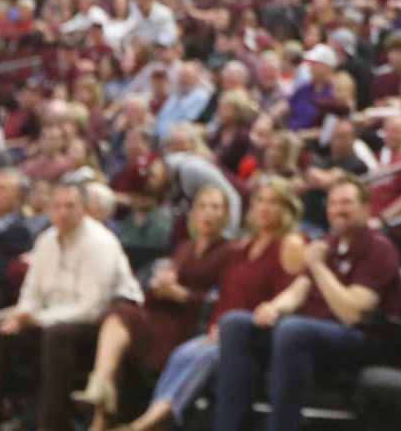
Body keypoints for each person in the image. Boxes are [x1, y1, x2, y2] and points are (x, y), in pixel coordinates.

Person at [0, 181, 140, 431]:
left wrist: (36, 319)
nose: (63, 212)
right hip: (51, 317)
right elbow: (32, 293)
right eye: (57, 206)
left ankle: (49, 425)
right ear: (49, 210)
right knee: (0, 331)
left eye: (70, 206)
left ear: (84, 209)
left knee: (56, 335)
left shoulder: (100, 243)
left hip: (98, 324)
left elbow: (92, 307)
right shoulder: (46, 240)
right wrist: (22, 315)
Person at [96, 179, 307, 431]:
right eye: (260, 200)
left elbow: (294, 294)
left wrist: (231, 326)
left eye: (273, 202)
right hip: (223, 328)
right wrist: (216, 325)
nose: (264, 207)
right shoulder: (246, 245)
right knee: (182, 354)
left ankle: (145, 425)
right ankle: (155, 419)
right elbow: (228, 295)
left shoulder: (290, 243)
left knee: (204, 358)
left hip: (257, 332)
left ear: (286, 207)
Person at [213, 176, 399, 431]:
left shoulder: (379, 249)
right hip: (313, 333)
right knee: (235, 324)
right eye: (333, 204)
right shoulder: (329, 245)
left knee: (292, 330)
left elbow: (353, 313)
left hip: (359, 339)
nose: (338, 210)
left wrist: (317, 266)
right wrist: (273, 307)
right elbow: (298, 291)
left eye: (347, 203)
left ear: (366, 208)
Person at [72, 183, 239, 431]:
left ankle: (102, 407)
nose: (208, 213)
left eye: (215, 207)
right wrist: (160, 285)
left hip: (190, 324)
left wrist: (183, 294)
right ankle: (101, 388)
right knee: (119, 312)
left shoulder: (231, 251)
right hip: (161, 314)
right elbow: (158, 291)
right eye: (202, 206)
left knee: (125, 326)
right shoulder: (185, 247)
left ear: (225, 215)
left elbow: (224, 299)